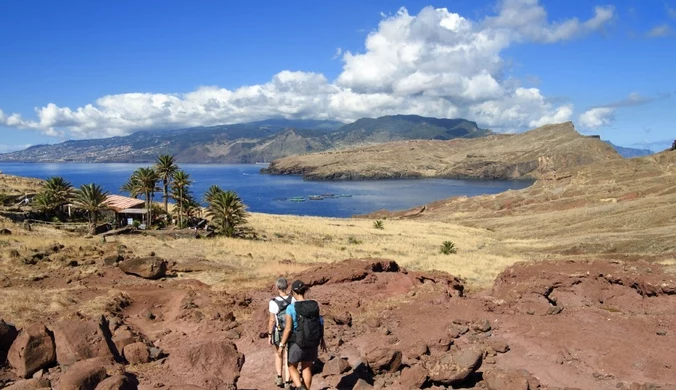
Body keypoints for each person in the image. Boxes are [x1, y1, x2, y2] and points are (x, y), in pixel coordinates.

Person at [278, 280, 327, 390]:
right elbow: (320, 322)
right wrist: (322, 339)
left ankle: (300, 387)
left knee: (291, 366)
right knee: (307, 368)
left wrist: (281, 345)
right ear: (304, 291)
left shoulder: (291, 308)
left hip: (297, 342)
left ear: (293, 292)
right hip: (312, 342)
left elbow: (288, 329)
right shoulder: (314, 305)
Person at [268, 277, 294, 388]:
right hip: (290, 332)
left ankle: (279, 377)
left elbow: (272, 320)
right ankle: (288, 382)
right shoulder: (293, 300)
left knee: (279, 353)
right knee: (288, 356)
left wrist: (269, 334)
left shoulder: (273, 302)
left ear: (277, 287)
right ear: (287, 286)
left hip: (278, 332)